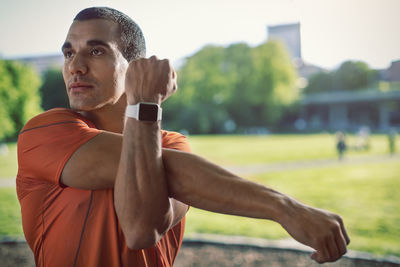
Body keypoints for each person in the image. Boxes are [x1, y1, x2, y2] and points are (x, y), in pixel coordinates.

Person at [16, 7, 350, 267]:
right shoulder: (45, 132)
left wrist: (141, 108)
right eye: (68, 52)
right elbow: (139, 229)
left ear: (136, 67)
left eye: (96, 51)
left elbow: (143, 226)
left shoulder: (173, 146)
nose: (75, 65)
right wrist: (286, 208)